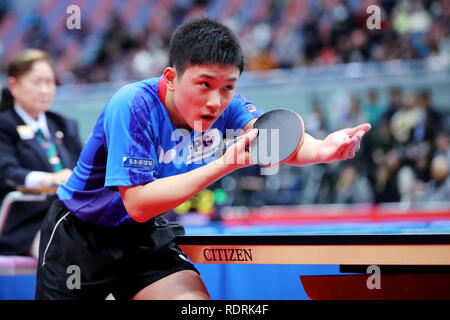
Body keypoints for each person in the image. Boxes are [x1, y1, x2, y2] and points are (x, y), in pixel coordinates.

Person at [35, 18, 370, 300]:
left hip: (143, 237)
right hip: (81, 235)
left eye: (227, 87)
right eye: (204, 84)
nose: (216, 101)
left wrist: (321, 150)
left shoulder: (229, 105)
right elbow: (137, 202)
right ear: (171, 77)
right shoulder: (133, 105)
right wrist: (225, 163)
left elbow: (272, 139)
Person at [0, 49, 82, 257]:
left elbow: (85, 169)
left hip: (72, 216)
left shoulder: (64, 124)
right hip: (26, 224)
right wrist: (50, 179)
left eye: (50, 82)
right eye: (37, 82)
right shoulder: (4, 125)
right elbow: (7, 172)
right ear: (13, 86)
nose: (45, 90)